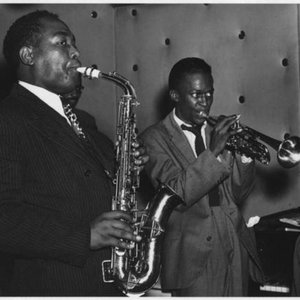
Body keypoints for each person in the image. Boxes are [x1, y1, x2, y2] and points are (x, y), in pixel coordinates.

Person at [0, 10, 149, 296]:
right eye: (62, 43)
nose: (76, 51)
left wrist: (126, 165)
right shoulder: (7, 118)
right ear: (28, 55)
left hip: (104, 282)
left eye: (74, 43)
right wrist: (84, 236)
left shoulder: (80, 120)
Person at [140, 57, 266, 296]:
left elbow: (238, 194)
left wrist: (245, 156)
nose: (205, 102)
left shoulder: (215, 130)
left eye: (209, 94)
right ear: (175, 96)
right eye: (196, 95)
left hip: (233, 235)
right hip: (191, 248)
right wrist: (214, 151)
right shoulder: (152, 139)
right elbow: (176, 193)